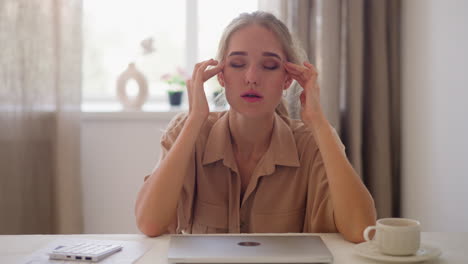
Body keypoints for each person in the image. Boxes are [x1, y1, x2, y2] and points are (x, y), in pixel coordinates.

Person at [135, 11, 376, 243]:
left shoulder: (312, 142)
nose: (251, 77)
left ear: (288, 79)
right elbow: (149, 223)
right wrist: (195, 118)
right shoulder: (188, 131)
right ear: (220, 76)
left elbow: (361, 230)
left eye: (269, 66)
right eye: (238, 64)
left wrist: (319, 122)